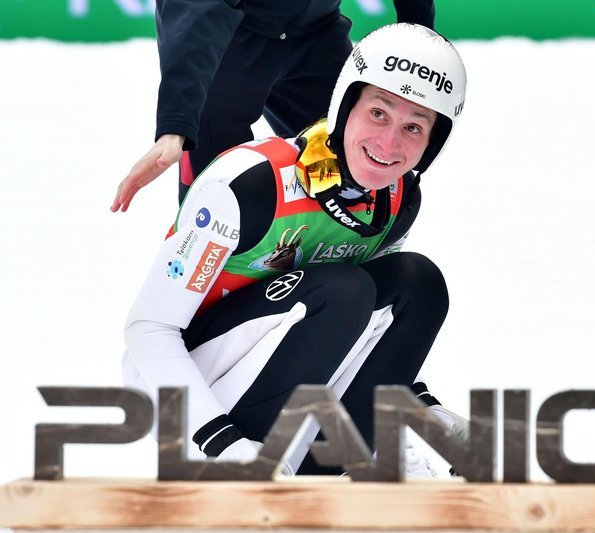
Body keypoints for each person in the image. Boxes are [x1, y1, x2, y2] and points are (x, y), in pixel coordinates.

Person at [121, 23, 467, 476]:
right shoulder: (252, 183)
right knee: (343, 290)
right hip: (181, 393)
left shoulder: (396, 200)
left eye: (413, 128)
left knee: (415, 282)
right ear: (344, 107)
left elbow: (374, 332)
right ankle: (252, 468)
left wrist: (424, 409)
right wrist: (222, 443)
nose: (389, 144)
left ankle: (337, 463)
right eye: (378, 113)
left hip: (283, 375)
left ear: (431, 145)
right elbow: (148, 330)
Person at [110, 1, 434, 212]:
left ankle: (333, 270)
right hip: (233, 33)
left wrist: (419, 41)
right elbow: (194, 9)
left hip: (317, 31)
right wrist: (176, 125)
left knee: (354, 173)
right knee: (215, 194)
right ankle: (201, 282)